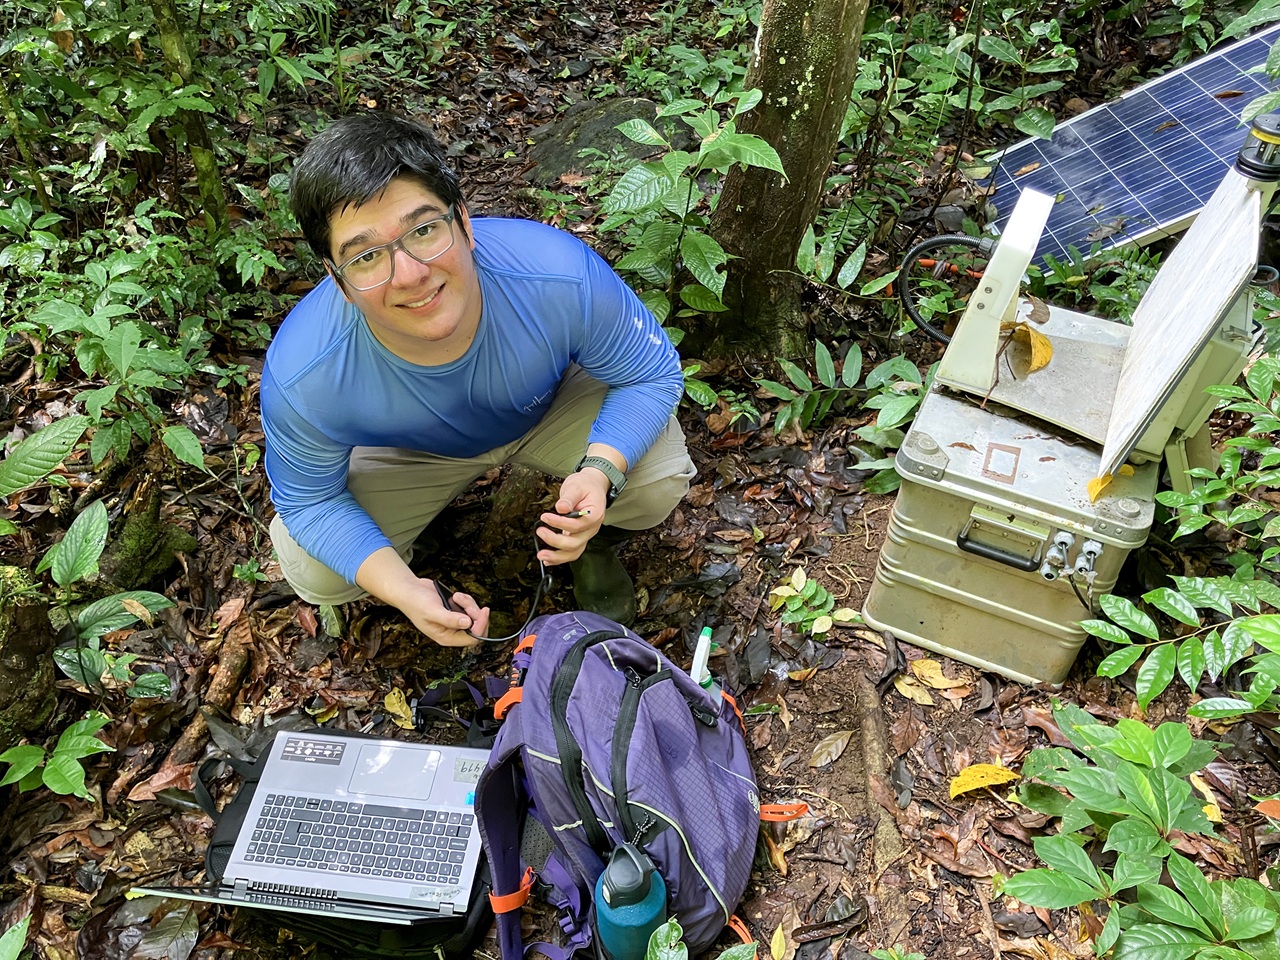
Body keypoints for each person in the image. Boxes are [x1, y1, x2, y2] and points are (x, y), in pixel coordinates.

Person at [262, 112, 695, 647]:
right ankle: (415, 564)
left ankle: (596, 539)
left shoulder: (556, 273)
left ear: (464, 224)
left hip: (550, 405)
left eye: (424, 230)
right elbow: (308, 500)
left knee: (656, 477)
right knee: (313, 568)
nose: (411, 273)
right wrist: (400, 589)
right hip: (409, 450)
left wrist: (602, 470)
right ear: (337, 278)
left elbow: (650, 374)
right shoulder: (305, 371)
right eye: (367, 256)